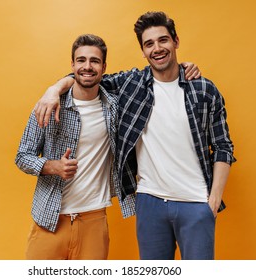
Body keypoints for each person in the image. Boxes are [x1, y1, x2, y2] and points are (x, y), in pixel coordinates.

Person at [34, 11, 236, 260]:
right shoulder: (132, 84)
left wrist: (213, 201)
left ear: (175, 41)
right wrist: (53, 90)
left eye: (163, 40)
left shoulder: (204, 89)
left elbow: (223, 146)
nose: (157, 48)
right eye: (149, 44)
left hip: (196, 203)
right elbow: (86, 76)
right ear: (143, 50)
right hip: (150, 203)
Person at [15, 34, 136, 260]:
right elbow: (22, 156)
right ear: (72, 65)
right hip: (49, 220)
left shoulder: (114, 109)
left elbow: (152, 77)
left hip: (94, 220)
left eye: (94, 61)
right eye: (81, 60)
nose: (87, 67)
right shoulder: (48, 105)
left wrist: (184, 67)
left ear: (104, 67)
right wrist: (51, 166)